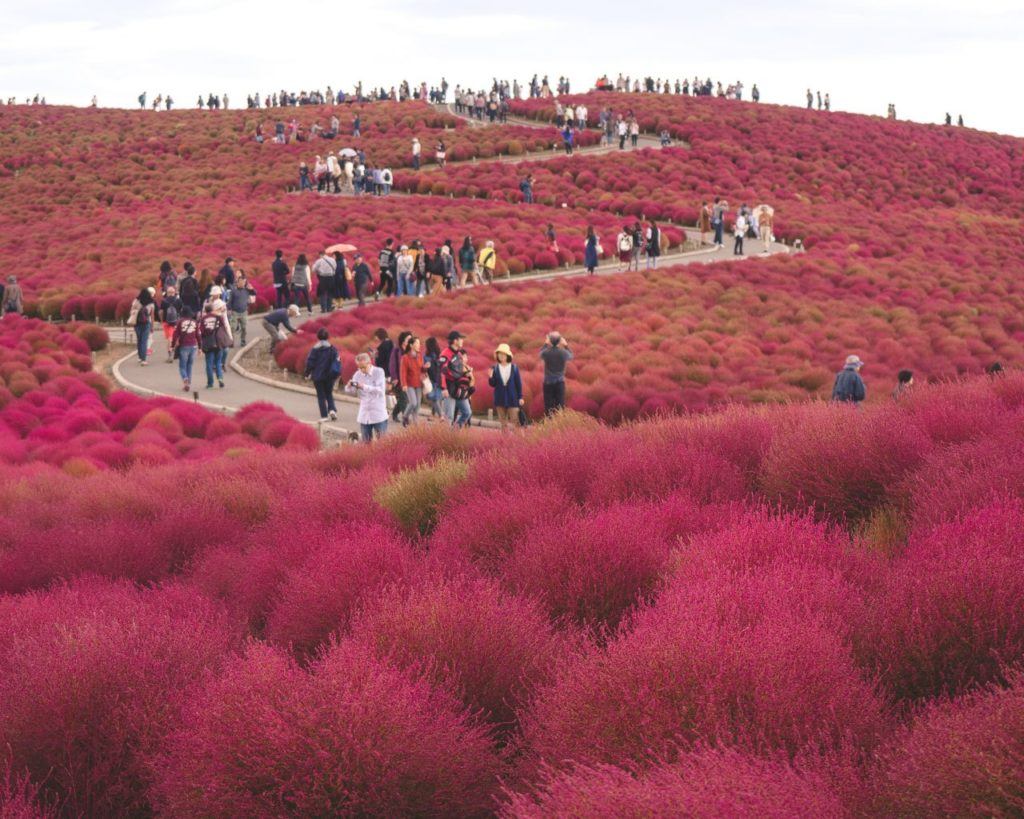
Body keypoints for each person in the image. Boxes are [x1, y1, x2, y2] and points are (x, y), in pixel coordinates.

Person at [345, 352, 388, 442]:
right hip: (364, 415)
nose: (361, 370)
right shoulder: (357, 374)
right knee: (366, 444)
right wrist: (349, 386)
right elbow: (351, 392)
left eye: (363, 367)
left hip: (378, 414)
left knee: (383, 443)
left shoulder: (379, 372)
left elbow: (380, 390)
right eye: (359, 367)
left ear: (369, 363)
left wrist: (363, 386)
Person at [303, 327, 341, 420]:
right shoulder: (332, 348)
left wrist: (307, 373)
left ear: (318, 337)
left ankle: (324, 415)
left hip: (318, 376)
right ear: (328, 336)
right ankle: (332, 410)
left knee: (321, 396)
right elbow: (337, 360)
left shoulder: (315, 349)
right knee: (329, 393)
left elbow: (310, 362)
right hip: (330, 375)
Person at [488, 343, 524, 431]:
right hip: (500, 398)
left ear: (507, 355)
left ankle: (520, 442)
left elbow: (518, 384)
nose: (501, 356)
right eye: (499, 354)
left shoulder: (514, 368)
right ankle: (505, 442)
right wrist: (490, 377)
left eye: (503, 354)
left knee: (516, 422)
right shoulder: (495, 368)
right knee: (503, 423)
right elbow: (493, 384)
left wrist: (520, 397)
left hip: (512, 398)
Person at [540, 332, 573, 415]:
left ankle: (549, 423)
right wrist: (566, 345)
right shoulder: (563, 353)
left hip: (548, 383)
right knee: (560, 406)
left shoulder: (547, 352)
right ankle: (559, 423)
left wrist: (546, 344)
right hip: (560, 383)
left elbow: (540, 354)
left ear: (550, 341)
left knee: (548, 406)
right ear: (559, 341)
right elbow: (571, 356)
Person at [199, 303, 229, 388]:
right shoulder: (218, 317)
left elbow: (202, 331)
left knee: (209, 364)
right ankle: (220, 379)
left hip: (208, 343)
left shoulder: (203, 319)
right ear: (212, 309)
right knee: (218, 362)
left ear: (205, 310)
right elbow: (223, 327)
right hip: (218, 342)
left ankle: (210, 383)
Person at [170, 307, 200, 391]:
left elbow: (175, 335)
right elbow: (198, 335)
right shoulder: (195, 322)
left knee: (182, 366)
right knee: (189, 365)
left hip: (184, 346)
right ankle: (188, 383)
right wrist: (200, 347)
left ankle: (185, 379)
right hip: (193, 346)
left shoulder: (179, 322)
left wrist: (172, 346)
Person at [399, 335, 424, 426]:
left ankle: (415, 426)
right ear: (411, 345)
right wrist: (404, 384)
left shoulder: (420, 356)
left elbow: (421, 369)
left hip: (419, 384)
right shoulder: (405, 357)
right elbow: (403, 372)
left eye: (419, 343)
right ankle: (405, 416)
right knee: (413, 403)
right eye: (417, 343)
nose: (419, 345)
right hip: (409, 384)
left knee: (417, 407)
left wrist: (425, 367)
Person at [226, 272, 255, 345]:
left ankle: (243, 340)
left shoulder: (247, 290)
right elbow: (230, 301)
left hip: (244, 312)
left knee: (244, 328)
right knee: (233, 327)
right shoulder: (233, 291)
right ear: (238, 282)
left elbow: (254, 293)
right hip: (235, 312)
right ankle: (231, 341)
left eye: (244, 282)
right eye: (241, 282)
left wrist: (252, 289)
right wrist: (229, 309)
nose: (243, 283)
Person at [128, 287, 156, 365]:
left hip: (137, 323)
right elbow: (152, 315)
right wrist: (152, 326)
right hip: (146, 323)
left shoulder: (136, 301)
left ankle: (140, 357)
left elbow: (131, 311)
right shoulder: (151, 303)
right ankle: (144, 359)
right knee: (144, 341)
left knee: (139, 340)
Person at [159, 285, 182, 361]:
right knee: (176, 337)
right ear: (174, 292)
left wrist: (162, 321)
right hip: (176, 321)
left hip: (167, 322)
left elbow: (161, 312)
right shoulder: (178, 300)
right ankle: (176, 351)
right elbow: (181, 311)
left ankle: (170, 354)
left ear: (167, 293)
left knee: (169, 338)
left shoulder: (164, 301)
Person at [423, 336, 444, 417]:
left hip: (430, 380)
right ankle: (435, 414)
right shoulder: (440, 356)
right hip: (439, 379)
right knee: (437, 398)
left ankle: (440, 415)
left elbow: (425, 369)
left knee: (432, 397)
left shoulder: (427, 357)